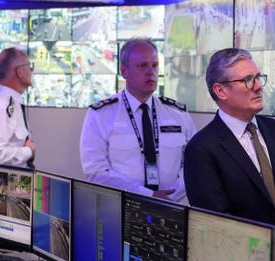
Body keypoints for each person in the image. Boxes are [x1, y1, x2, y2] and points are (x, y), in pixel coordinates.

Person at [184, 48, 275, 237]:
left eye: (258, 77)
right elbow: (217, 223)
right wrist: (269, 249)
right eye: (247, 80)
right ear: (220, 90)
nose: (258, 86)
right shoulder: (201, 150)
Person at [79, 38, 195, 202]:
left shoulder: (177, 113)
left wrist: (171, 196)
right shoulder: (100, 115)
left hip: (171, 207)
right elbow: (95, 172)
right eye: (142, 66)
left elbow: (193, 163)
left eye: (154, 65)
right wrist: (146, 195)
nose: (150, 72)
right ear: (124, 71)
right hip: (120, 208)